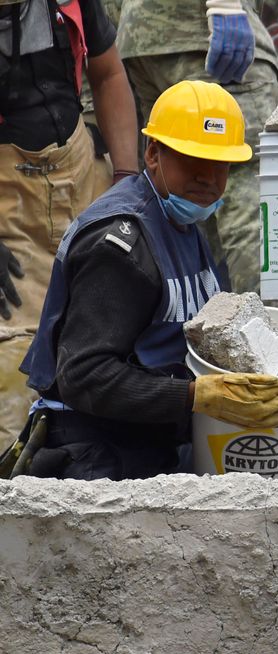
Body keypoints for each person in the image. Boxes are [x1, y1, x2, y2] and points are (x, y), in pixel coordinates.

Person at [14, 80, 278, 481]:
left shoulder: (184, 221)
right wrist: (197, 396)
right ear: (152, 154)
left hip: (154, 443)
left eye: (220, 163)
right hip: (98, 456)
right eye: (190, 158)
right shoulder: (121, 247)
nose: (207, 177)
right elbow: (83, 375)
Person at [0, 0, 138, 438]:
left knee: (119, 327)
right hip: (8, 202)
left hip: (80, 175)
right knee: (16, 367)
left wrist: (127, 181)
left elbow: (109, 73)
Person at [113, 0, 278, 292]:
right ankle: (266, 332)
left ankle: (203, 326)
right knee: (254, 193)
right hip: (198, 30)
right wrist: (225, 5)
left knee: (185, 196)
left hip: (138, 32)